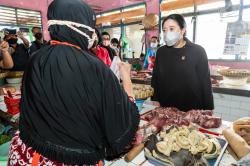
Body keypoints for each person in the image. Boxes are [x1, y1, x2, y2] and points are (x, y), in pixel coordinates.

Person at [8, 0, 139, 166]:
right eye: (91, 26)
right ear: (82, 26)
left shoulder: (36, 58)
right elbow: (121, 119)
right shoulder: (93, 66)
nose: (94, 33)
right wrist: (126, 76)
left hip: (26, 153)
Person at [152, 14, 214, 112]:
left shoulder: (198, 51)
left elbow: (205, 82)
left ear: (183, 30)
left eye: (171, 29)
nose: (167, 33)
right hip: (166, 107)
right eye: (164, 30)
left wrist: (209, 109)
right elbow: (156, 77)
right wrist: (154, 98)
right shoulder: (161, 52)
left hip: (192, 109)